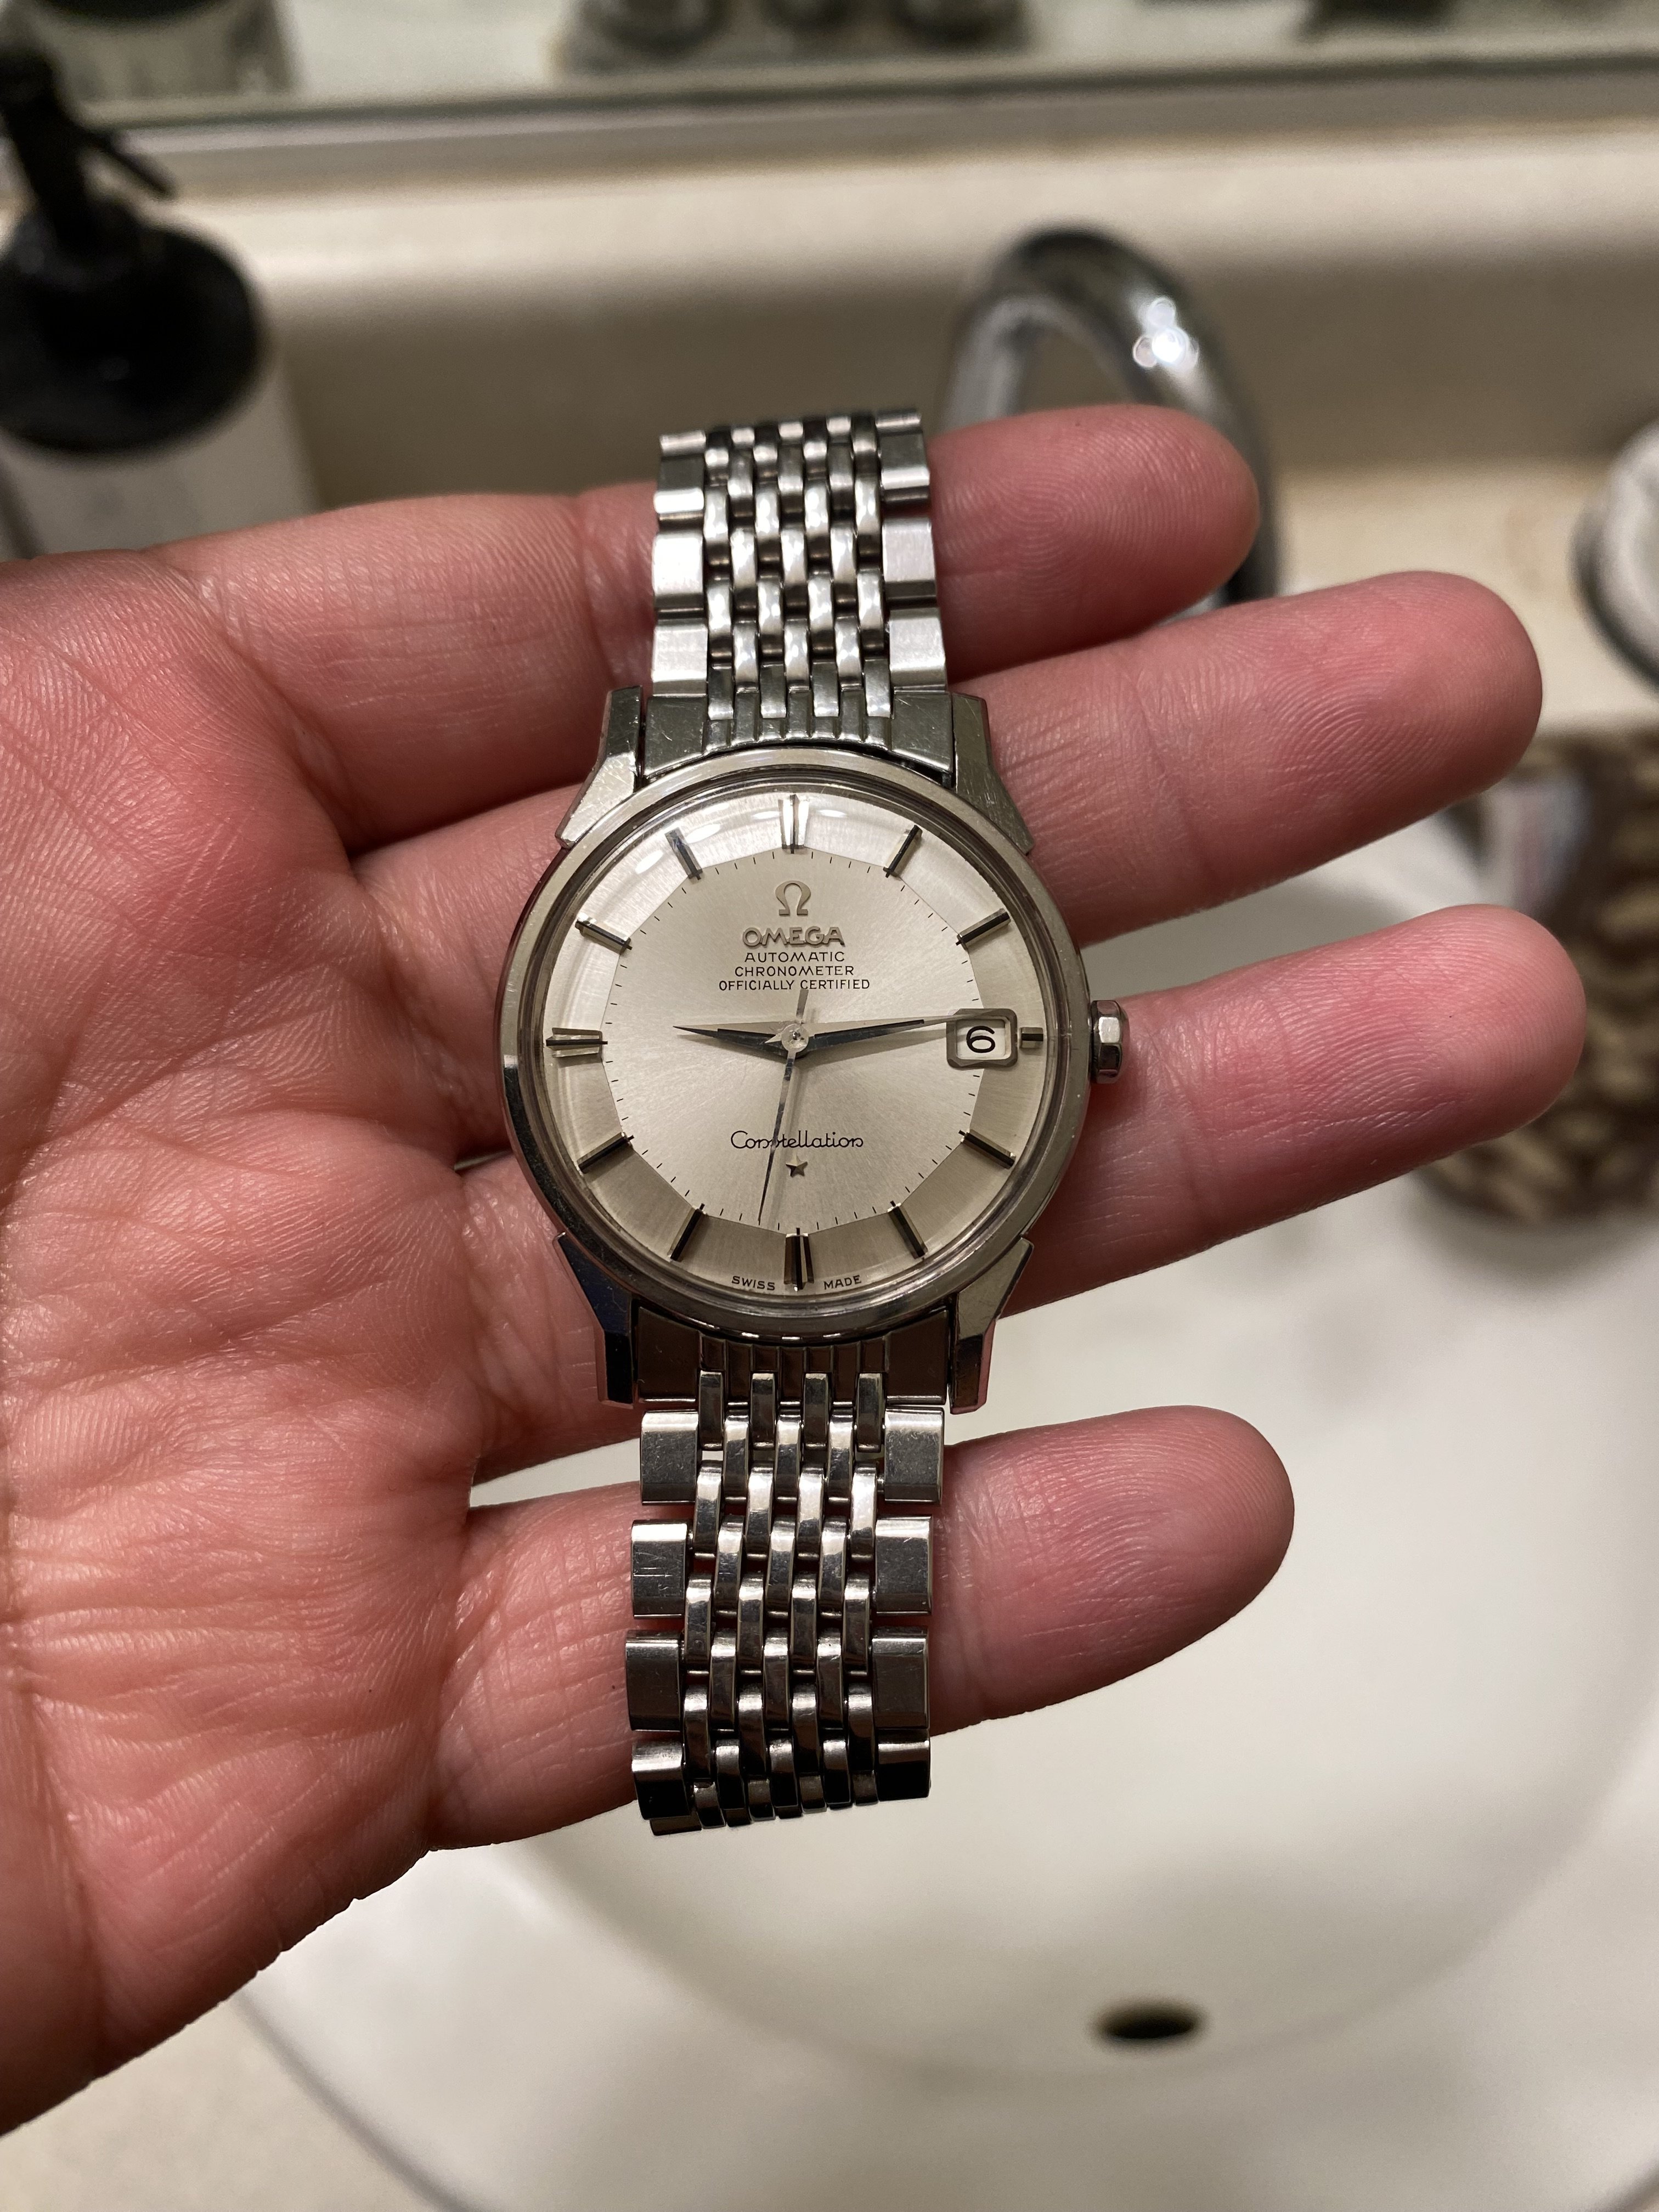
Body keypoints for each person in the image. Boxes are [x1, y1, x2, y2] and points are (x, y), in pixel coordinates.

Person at [0, 407, 1582, 2133]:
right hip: (724, 1269)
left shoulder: (677, 925)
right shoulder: (650, 911)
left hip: (852, 1266)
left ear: (1081, 1043)